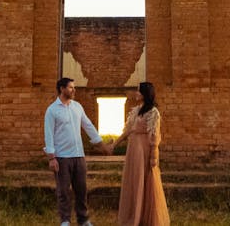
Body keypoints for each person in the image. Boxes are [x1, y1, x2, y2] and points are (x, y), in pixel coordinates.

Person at [44, 77, 111, 226]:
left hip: (79, 156)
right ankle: (65, 221)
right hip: (62, 157)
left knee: (81, 190)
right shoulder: (52, 110)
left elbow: (88, 126)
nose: (74, 90)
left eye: (74, 87)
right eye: (70, 87)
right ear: (62, 89)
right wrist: (51, 158)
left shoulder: (77, 107)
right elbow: (48, 135)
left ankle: (83, 220)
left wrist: (102, 146)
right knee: (63, 192)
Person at [112, 82, 170, 226]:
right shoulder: (136, 110)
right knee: (134, 180)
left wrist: (154, 155)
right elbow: (127, 131)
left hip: (143, 150)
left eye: (138, 91)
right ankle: (134, 216)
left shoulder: (153, 112)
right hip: (133, 149)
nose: (136, 93)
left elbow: (154, 135)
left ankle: (143, 218)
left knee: (143, 180)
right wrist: (114, 145)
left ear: (145, 93)